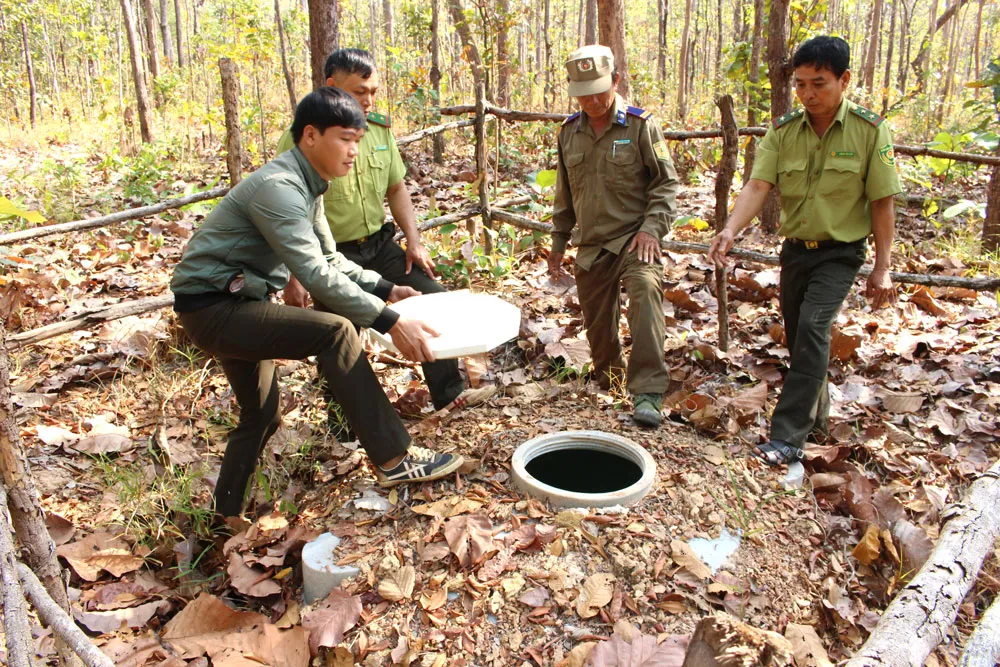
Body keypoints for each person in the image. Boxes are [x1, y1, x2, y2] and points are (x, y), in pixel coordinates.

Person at [170, 87, 464, 519]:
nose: (353, 151)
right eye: (345, 139)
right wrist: (389, 321)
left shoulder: (310, 187)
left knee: (263, 414)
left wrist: (386, 288)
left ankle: (223, 516)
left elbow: (331, 259)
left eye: (358, 141)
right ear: (310, 135)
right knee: (336, 332)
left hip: (236, 302)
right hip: (213, 309)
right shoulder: (279, 188)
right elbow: (314, 275)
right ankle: (395, 459)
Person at [707, 36, 900, 466]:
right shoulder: (784, 130)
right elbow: (758, 185)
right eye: (800, 84)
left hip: (841, 252)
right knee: (800, 339)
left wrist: (882, 266)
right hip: (795, 252)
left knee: (813, 326)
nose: (808, 94)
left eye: (819, 83)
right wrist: (731, 230)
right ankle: (818, 424)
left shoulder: (870, 131)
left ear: (844, 80)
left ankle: (788, 436)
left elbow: (882, 201)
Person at [276, 48, 493, 416]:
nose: (368, 100)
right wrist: (293, 275)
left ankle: (448, 393)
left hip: (379, 245)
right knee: (338, 335)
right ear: (331, 85)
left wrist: (414, 241)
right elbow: (289, 213)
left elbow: (396, 187)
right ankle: (344, 421)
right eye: (359, 91)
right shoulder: (305, 137)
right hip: (332, 257)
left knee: (433, 299)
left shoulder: (377, 129)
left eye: (373, 91)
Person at [548, 44, 680, 428]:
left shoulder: (640, 126)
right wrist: (558, 242)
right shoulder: (569, 133)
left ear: (616, 81)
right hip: (592, 245)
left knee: (645, 293)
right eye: (582, 94)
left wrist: (652, 229)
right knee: (598, 327)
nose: (591, 101)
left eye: (598, 91)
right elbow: (565, 194)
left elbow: (666, 184)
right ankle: (611, 379)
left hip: (634, 239)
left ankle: (648, 393)